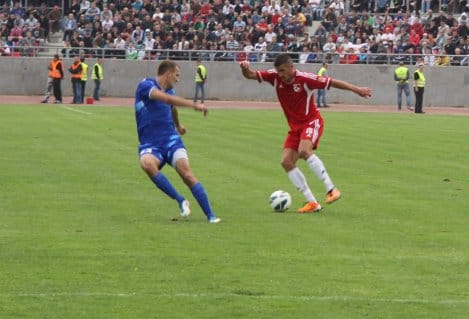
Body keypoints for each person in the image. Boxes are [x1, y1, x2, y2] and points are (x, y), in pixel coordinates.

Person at [238, 53, 372, 213]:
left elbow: (333, 82)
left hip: (311, 121)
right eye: (278, 71)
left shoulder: (305, 78)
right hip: (295, 128)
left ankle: (331, 189)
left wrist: (357, 90)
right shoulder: (275, 77)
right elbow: (250, 75)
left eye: (283, 71)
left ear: (291, 68)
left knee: (304, 151)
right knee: (286, 162)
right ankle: (312, 202)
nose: (280, 75)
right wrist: (244, 68)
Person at [135, 60, 220, 223]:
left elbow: (172, 107)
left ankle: (211, 216)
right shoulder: (146, 85)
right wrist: (195, 105)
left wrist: (178, 125)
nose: (178, 79)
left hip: (171, 139)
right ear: (168, 74)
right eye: (177, 75)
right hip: (151, 144)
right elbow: (167, 100)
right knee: (146, 164)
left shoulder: (170, 91)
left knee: (186, 173)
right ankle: (180, 200)